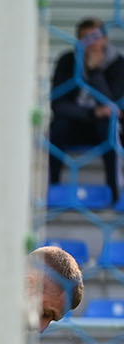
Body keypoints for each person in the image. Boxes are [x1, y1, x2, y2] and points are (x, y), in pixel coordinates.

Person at [49, 18, 124, 204]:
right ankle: (52, 190)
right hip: (77, 123)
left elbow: (113, 106)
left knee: (109, 126)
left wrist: (95, 71)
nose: (91, 43)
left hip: (105, 128)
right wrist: (92, 113)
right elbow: (58, 104)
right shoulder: (67, 61)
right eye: (85, 38)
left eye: (95, 37)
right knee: (57, 127)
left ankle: (115, 196)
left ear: (105, 39)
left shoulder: (118, 64)